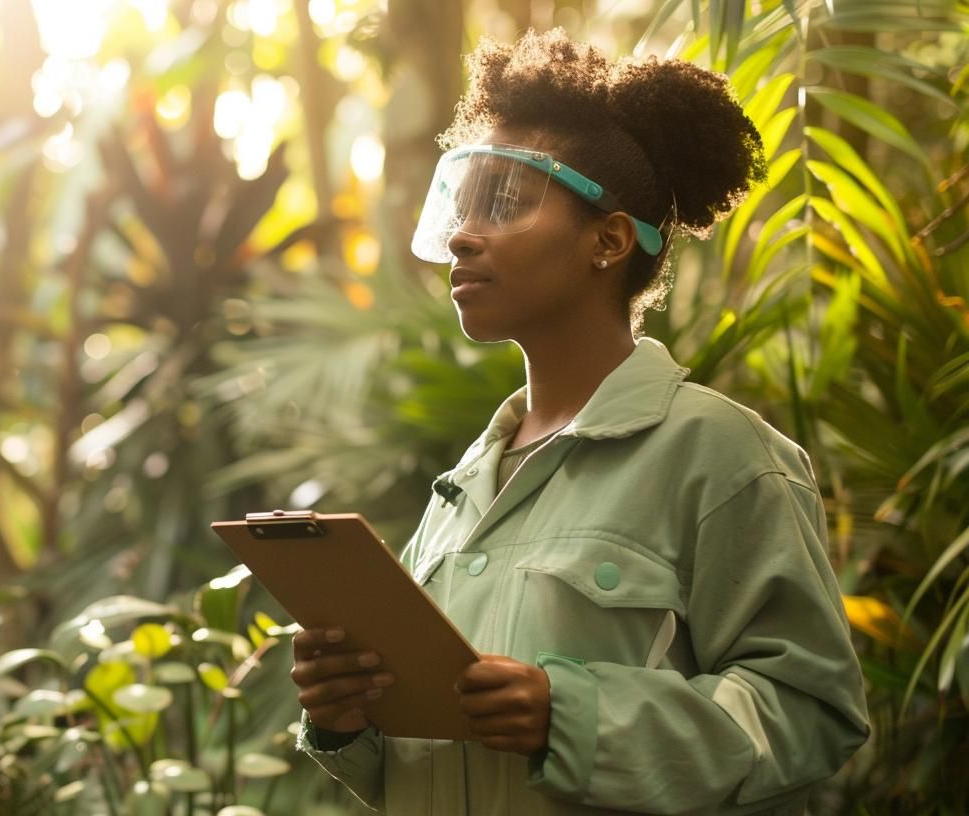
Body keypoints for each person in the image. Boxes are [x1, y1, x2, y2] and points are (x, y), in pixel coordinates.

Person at [287, 28, 870, 814]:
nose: (462, 233)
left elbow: (812, 712)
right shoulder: (461, 491)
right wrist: (346, 721)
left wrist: (577, 718)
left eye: (503, 204)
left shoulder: (722, 456)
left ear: (607, 240)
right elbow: (425, 767)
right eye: (461, 207)